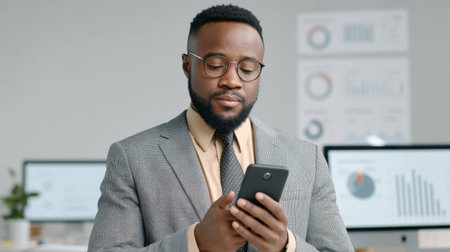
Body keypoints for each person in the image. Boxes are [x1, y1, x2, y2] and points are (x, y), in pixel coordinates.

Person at [88, 4, 353, 252]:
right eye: (215, 65)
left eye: (247, 69)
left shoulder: (306, 158)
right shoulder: (132, 157)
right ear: (187, 65)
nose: (231, 80)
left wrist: (287, 245)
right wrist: (196, 243)